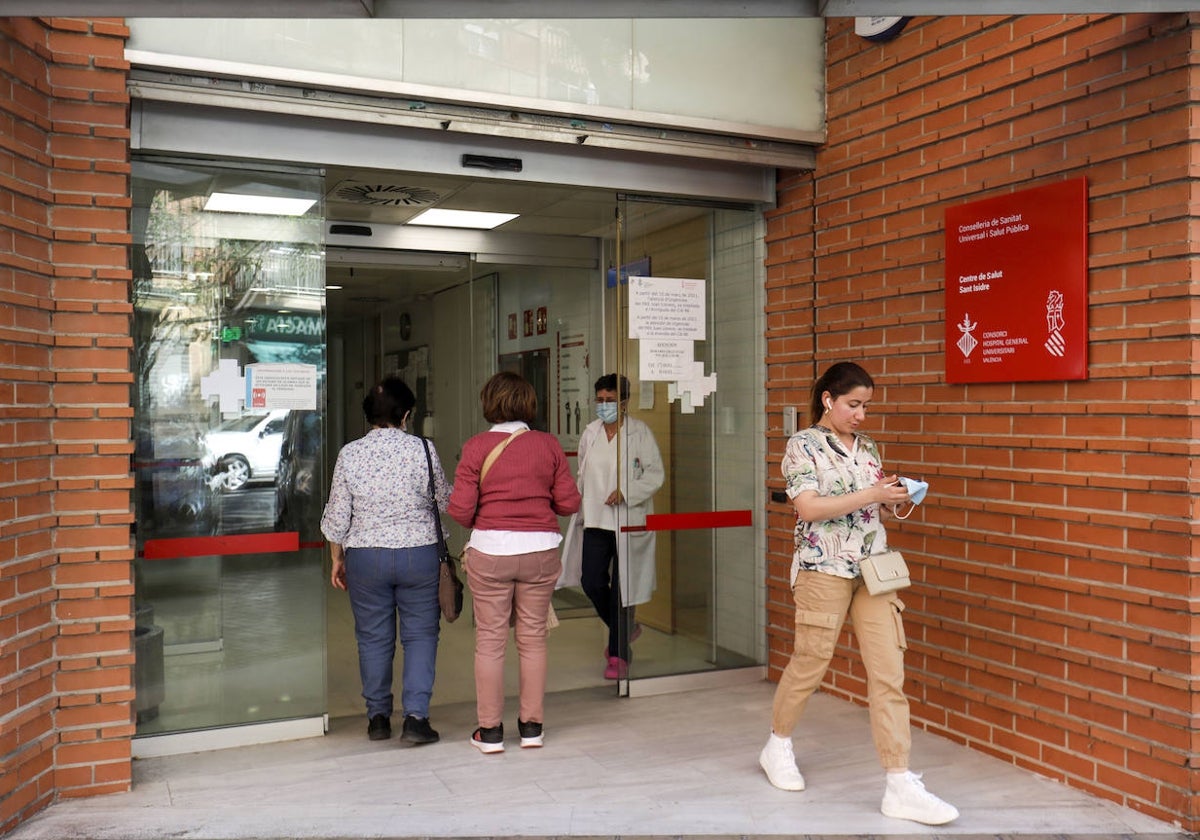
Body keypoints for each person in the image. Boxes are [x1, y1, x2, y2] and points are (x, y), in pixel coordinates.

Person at [758, 361, 958, 825]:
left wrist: (895, 495)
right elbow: (808, 507)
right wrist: (870, 495)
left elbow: (871, 502)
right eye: (853, 405)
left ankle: (900, 782)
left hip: (873, 569)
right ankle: (778, 745)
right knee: (811, 662)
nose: (861, 415)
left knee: (889, 672)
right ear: (828, 399)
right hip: (822, 570)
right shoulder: (802, 445)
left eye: (865, 406)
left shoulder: (866, 446)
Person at [448, 372, 581, 754]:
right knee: (533, 639)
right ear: (529, 404)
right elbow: (569, 503)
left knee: (490, 642)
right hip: (540, 552)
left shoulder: (476, 447)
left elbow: (460, 510)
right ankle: (532, 727)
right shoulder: (548, 445)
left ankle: (489, 732)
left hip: (491, 553)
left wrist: (490, 518)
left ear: (488, 404)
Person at [320, 375, 450, 746]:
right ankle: (415, 719)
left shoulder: (350, 454)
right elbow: (443, 500)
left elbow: (336, 517)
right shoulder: (423, 449)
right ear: (407, 414)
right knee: (421, 635)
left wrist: (337, 558)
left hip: (366, 557)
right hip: (420, 554)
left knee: (373, 639)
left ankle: (378, 718)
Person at [559, 373, 664, 680]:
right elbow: (582, 472)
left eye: (610, 400)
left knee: (622, 588)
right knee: (591, 581)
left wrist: (627, 492)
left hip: (627, 520)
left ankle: (619, 656)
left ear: (625, 402)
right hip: (594, 519)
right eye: (600, 400)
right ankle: (627, 629)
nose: (604, 406)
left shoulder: (640, 433)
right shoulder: (590, 432)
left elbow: (655, 475)